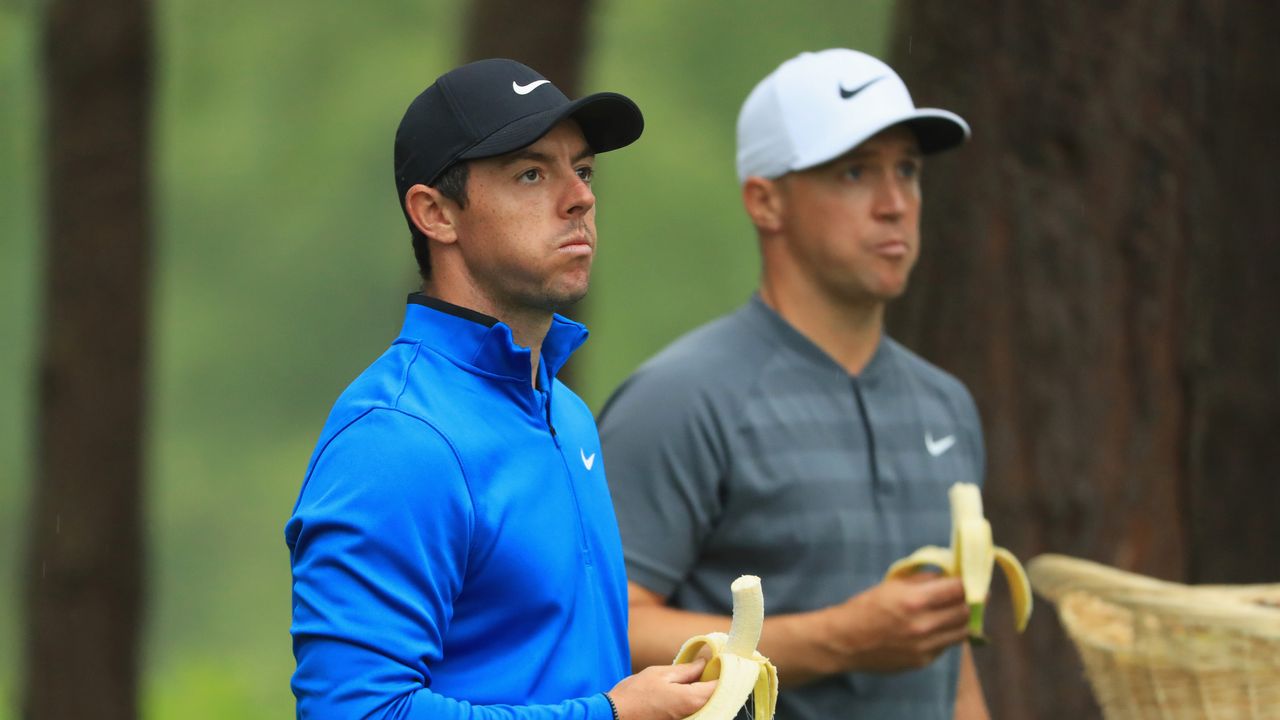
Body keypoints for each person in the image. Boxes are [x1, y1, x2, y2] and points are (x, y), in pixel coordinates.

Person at [285, 58, 716, 720]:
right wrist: (612, 716)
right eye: (532, 173)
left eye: (585, 169)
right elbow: (357, 713)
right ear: (436, 214)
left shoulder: (566, 414)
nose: (580, 197)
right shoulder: (396, 437)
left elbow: (548, 674)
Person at [598, 49, 991, 719]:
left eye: (908, 170)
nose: (895, 204)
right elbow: (609, 631)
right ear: (766, 200)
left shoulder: (946, 405)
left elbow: (952, 668)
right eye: (855, 171)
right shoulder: (678, 398)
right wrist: (840, 640)